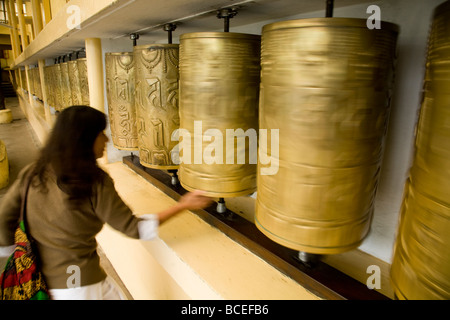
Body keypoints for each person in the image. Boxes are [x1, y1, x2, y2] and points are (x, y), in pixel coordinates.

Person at [0, 105, 213, 300]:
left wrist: (12, 250)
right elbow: (134, 228)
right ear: (84, 139)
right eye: (101, 133)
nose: (107, 140)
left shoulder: (33, 173)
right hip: (79, 284)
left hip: (44, 280)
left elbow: (4, 219)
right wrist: (183, 205)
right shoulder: (93, 181)